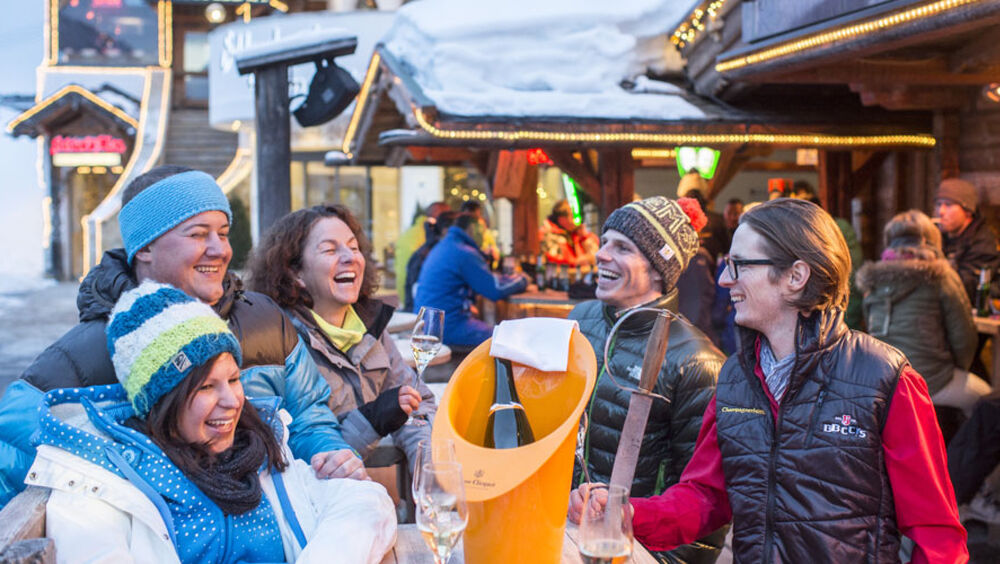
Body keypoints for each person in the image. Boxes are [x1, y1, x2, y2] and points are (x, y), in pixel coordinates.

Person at [570, 198, 968, 563]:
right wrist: (629, 512)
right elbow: (706, 497)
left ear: (795, 276)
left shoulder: (884, 377)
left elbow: (937, 537)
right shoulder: (736, 379)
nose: (725, 279)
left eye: (740, 264)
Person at [0, 166, 363, 507]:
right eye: (198, 234)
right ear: (144, 248)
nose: (221, 249)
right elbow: (11, 445)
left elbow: (309, 416)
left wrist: (329, 453)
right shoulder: (94, 348)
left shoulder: (264, 319)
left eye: (222, 233)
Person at [26, 282, 396, 563]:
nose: (233, 400)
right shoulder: (101, 484)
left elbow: (365, 503)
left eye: (234, 379)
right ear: (159, 400)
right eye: (206, 386)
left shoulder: (256, 451)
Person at [570, 196, 728, 564]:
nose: (601, 254)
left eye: (622, 247)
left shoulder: (697, 361)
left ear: (659, 269)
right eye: (605, 241)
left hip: (632, 552)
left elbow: (705, 508)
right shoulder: (579, 319)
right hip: (563, 535)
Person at [247, 204, 436, 470]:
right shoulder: (281, 342)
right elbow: (302, 452)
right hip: (323, 503)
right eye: (330, 249)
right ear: (296, 273)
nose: (350, 257)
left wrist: (428, 476)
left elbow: (419, 406)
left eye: (354, 247)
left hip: (382, 496)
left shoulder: (369, 326)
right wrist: (372, 421)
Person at [856, 210, 989, 415]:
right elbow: (964, 338)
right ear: (932, 240)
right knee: (987, 401)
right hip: (930, 379)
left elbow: (870, 329)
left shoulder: (872, 280)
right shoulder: (942, 276)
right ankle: (961, 447)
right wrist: (960, 368)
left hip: (882, 379)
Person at [415, 213, 530, 347]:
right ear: (471, 229)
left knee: (499, 334)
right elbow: (495, 289)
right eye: (483, 231)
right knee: (507, 339)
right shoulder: (463, 252)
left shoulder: (446, 245)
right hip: (448, 327)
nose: (485, 237)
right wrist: (524, 279)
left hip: (429, 326)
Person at [935, 178, 1000, 303]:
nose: (941, 212)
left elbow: (967, 288)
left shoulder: (983, 243)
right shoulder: (938, 237)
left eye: (948, 205)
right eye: (938, 204)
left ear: (968, 211)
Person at [394, 201, 450, 305]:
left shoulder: (409, 232)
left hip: (403, 297)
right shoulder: (430, 238)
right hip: (415, 300)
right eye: (446, 217)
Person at [405, 210, 458, 313]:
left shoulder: (428, 249)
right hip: (427, 314)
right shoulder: (440, 252)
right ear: (445, 230)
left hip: (415, 310)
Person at [539, 199, 599, 266]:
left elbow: (595, 255)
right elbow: (560, 262)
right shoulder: (547, 234)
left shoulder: (574, 233)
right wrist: (580, 261)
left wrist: (584, 237)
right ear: (562, 219)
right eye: (572, 216)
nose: (574, 221)